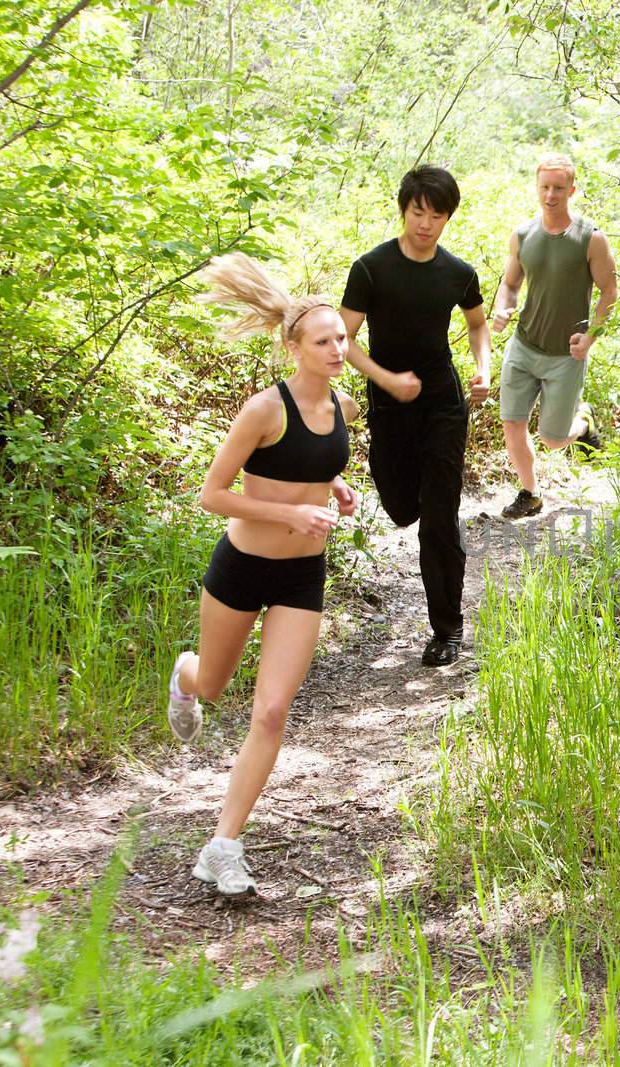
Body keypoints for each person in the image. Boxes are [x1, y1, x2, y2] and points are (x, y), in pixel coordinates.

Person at [165, 253, 359, 898]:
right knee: (215, 686)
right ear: (293, 347)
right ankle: (185, 675)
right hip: (242, 568)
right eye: (325, 341)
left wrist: (333, 486)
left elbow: (308, 461)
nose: (338, 349)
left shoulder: (345, 407)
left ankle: (223, 845)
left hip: (302, 578)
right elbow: (213, 495)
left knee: (272, 711)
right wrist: (291, 510)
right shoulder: (262, 409)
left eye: (343, 339)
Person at [339, 165, 490, 668]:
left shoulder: (457, 272)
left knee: (438, 514)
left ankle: (447, 630)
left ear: (448, 217)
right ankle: (429, 516)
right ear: (404, 209)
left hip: (442, 401)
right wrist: (384, 379)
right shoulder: (370, 268)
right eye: (418, 212)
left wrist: (482, 369)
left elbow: (476, 325)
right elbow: (344, 339)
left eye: (437, 215)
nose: (426, 223)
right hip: (388, 403)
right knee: (403, 506)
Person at [491, 153, 619, 519]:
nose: (550, 195)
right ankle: (530, 493)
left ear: (571, 190)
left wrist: (590, 337)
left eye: (558, 189)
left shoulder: (590, 238)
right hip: (524, 344)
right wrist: (504, 307)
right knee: (513, 424)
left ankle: (584, 423)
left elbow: (609, 292)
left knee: (553, 439)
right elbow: (510, 284)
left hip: (567, 354)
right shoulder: (523, 235)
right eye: (544, 187)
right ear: (537, 188)